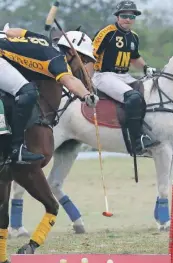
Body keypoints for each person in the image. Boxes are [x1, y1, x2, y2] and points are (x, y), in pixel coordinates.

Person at [0, 26, 99, 164]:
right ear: (71, 52)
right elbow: (69, 80)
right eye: (83, 60)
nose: (82, 65)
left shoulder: (44, 40)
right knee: (28, 92)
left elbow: (12, 32)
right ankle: (16, 149)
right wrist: (87, 96)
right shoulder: (58, 60)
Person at [92, 0, 160, 156]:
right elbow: (91, 56)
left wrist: (145, 67)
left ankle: (145, 130)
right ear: (117, 16)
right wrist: (87, 80)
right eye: (124, 15)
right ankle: (136, 141)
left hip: (125, 76)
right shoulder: (106, 33)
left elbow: (134, 58)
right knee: (134, 98)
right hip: (105, 75)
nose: (128, 19)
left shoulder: (134, 37)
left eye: (131, 16)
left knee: (149, 94)